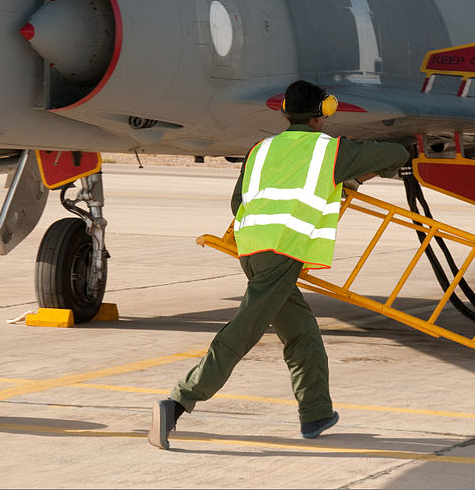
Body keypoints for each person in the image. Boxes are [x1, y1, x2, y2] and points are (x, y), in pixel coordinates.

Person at [149, 80, 409, 449]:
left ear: (285, 112)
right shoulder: (329, 151)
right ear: (324, 113)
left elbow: (239, 201)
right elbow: (395, 154)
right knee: (243, 331)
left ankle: (316, 413)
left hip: (251, 250)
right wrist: (348, 176)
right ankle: (178, 402)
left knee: (301, 333)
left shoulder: (261, 148)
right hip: (282, 252)